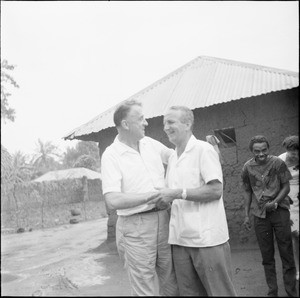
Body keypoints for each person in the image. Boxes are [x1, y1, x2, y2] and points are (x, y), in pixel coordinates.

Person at [149, 105, 237, 296]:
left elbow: (215, 189)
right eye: (164, 123)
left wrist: (177, 194)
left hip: (206, 240)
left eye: (171, 122)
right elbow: (175, 195)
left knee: (219, 292)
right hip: (180, 241)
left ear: (187, 123)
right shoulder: (173, 158)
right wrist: (164, 200)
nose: (165, 127)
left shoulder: (203, 150)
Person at [101, 99, 178, 296]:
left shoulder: (149, 143)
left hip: (164, 219)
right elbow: (113, 200)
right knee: (145, 288)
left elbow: (173, 156)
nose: (146, 123)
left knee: (171, 283)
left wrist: (199, 151)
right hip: (136, 226)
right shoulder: (112, 155)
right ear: (126, 124)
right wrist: (152, 196)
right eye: (141, 119)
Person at [241, 135, 297, 297]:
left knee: (286, 253)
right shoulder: (247, 168)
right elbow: (247, 190)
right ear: (252, 151)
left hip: (280, 212)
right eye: (257, 151)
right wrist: (246, 214)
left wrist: (276, 202)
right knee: (267, 256)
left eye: (264, 150)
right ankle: (272, 292)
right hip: (260, 215)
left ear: (268, 149)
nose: (261, 154)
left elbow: (286, 186)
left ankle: (291, 292)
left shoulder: (278, 163)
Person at [278, 135, 299, 281]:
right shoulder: (280, 161)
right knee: (295, 237)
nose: (296, 155)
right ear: (287, 150)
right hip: (289, 200)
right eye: (292, 152)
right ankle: (297, 269)